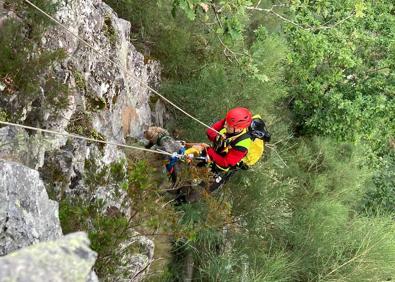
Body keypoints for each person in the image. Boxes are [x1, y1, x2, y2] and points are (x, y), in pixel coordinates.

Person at [205, 107, 253, 192]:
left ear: (239, 129)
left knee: (204, 189)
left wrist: (209, 151)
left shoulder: (242, 145)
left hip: (219, 169)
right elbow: (210, 133)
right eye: (226, 122)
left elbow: (225, 163)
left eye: (228, 125)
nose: (224, 125)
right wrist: (217, 138)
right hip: (214, 153)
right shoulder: (230, 121)